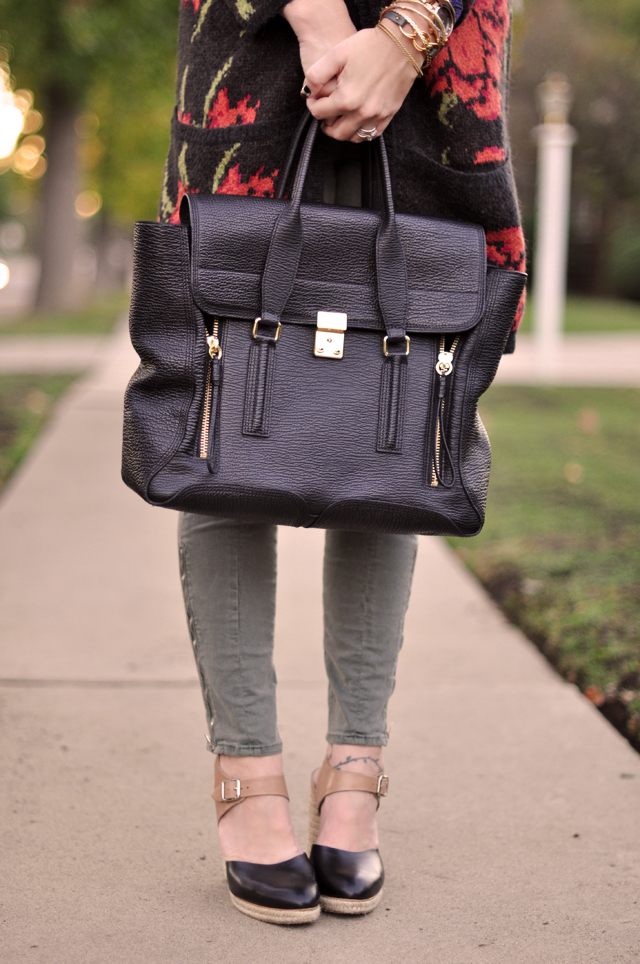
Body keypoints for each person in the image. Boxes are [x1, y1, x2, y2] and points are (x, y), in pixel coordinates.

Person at [160, 0, 525, 925]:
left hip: (438, 73)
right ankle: (247, 772)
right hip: (264, 53)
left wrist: (408, 36)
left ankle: (355, 766)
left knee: (390, 435)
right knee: (228, 410)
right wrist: (323, 25)